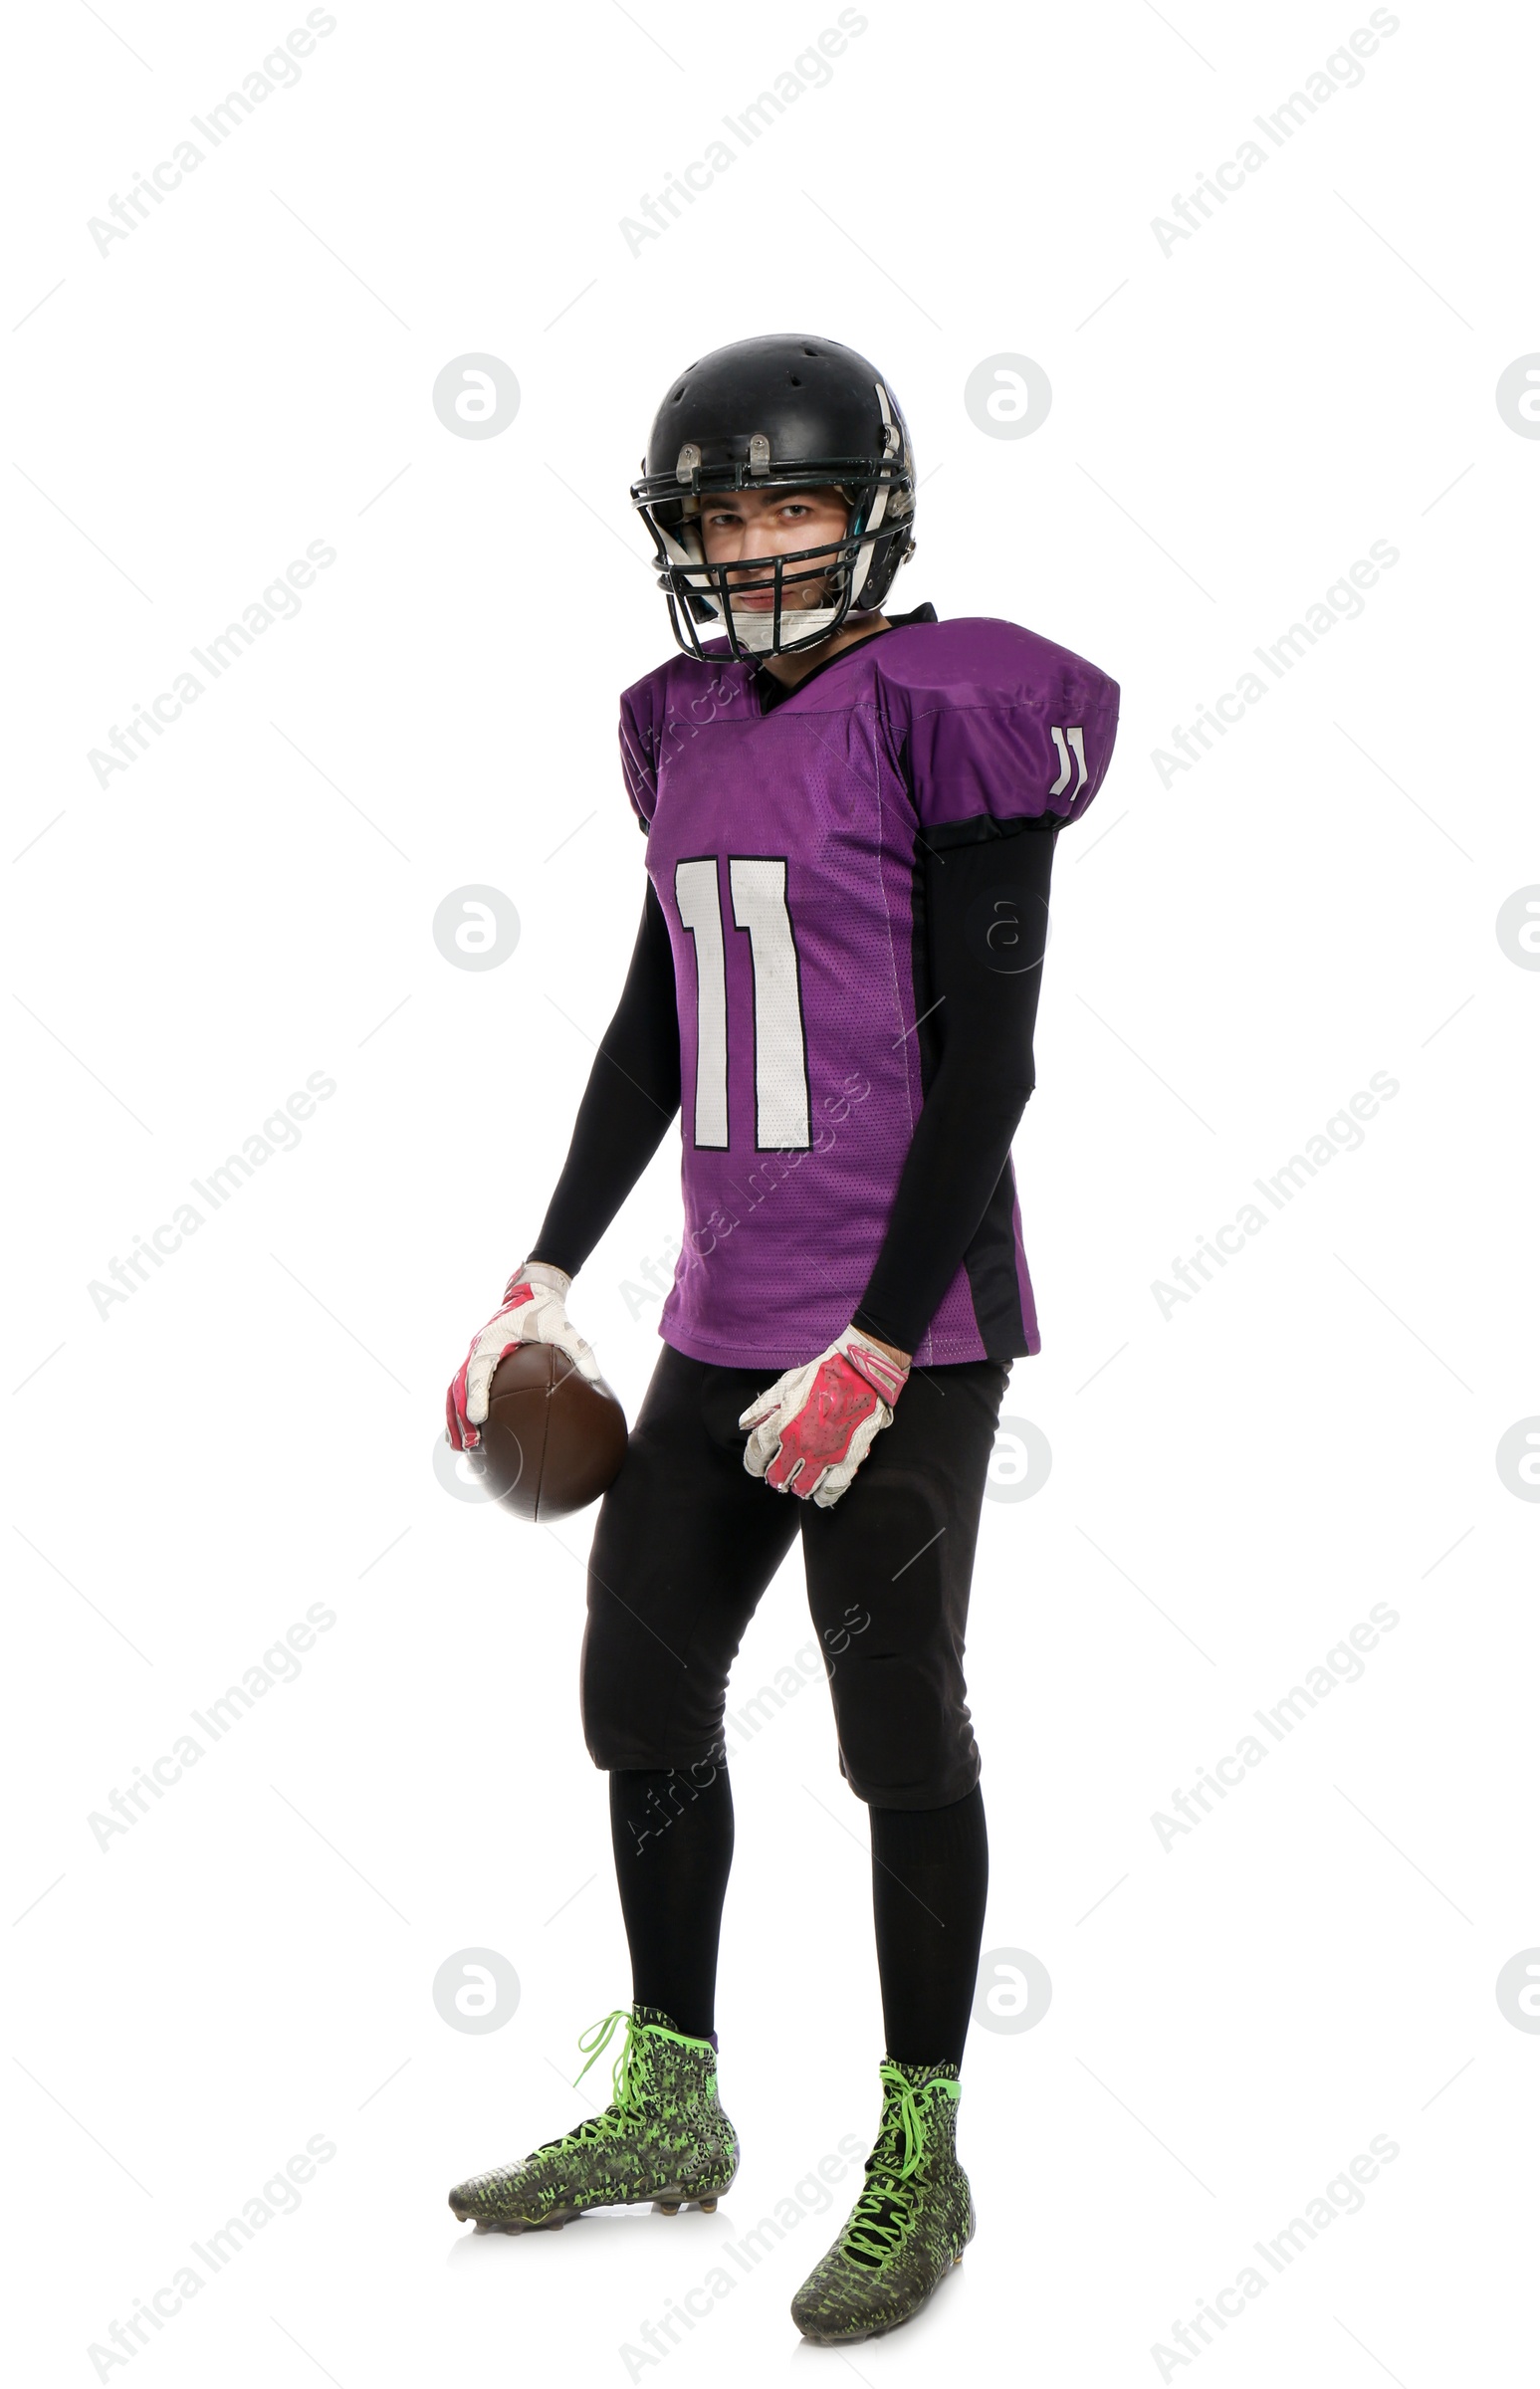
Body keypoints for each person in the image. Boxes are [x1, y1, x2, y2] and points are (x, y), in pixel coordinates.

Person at [444, 332, 1120, 2344]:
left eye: (790, 508)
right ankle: (671, 2097)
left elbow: (986, 1071)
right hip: (725, 1314)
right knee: (638, 1698)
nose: (752, 546)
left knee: (892, 1714)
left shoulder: (949, 709)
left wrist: (883, 1347)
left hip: (903, 1314)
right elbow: (663, 1014)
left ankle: (923, 2145)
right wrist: (547, 1265)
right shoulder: (684, 726)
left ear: (873, 515)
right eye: (721, 516)